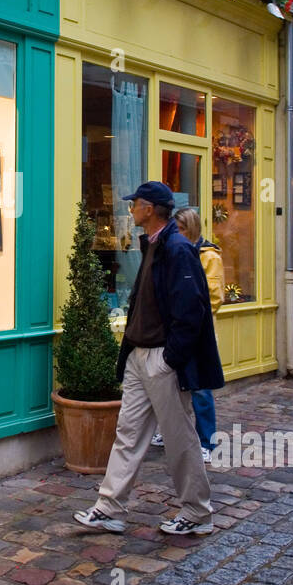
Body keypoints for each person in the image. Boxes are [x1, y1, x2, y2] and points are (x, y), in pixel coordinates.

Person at [74, 181, 225, 536]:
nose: (131, 209)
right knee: (128, 433)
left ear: (152, 209)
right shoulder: (156, 245)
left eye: (136, 203)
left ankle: (198, 512)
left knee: (179, 437)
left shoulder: (176, 248)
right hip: (141, 356)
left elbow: (192, 311)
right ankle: (109, 507)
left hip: (160, 358)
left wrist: (170, 359)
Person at [151, 208, 221, 461]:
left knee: (200, 387)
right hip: (175, 330)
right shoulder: (173, 251)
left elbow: (213, 296)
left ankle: (207, 441)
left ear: (190, 228)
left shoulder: (207, 255)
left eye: (181, 228)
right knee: (172, 384)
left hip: (199, 333)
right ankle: (169, 432)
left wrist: (191, 317)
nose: (177, 233)